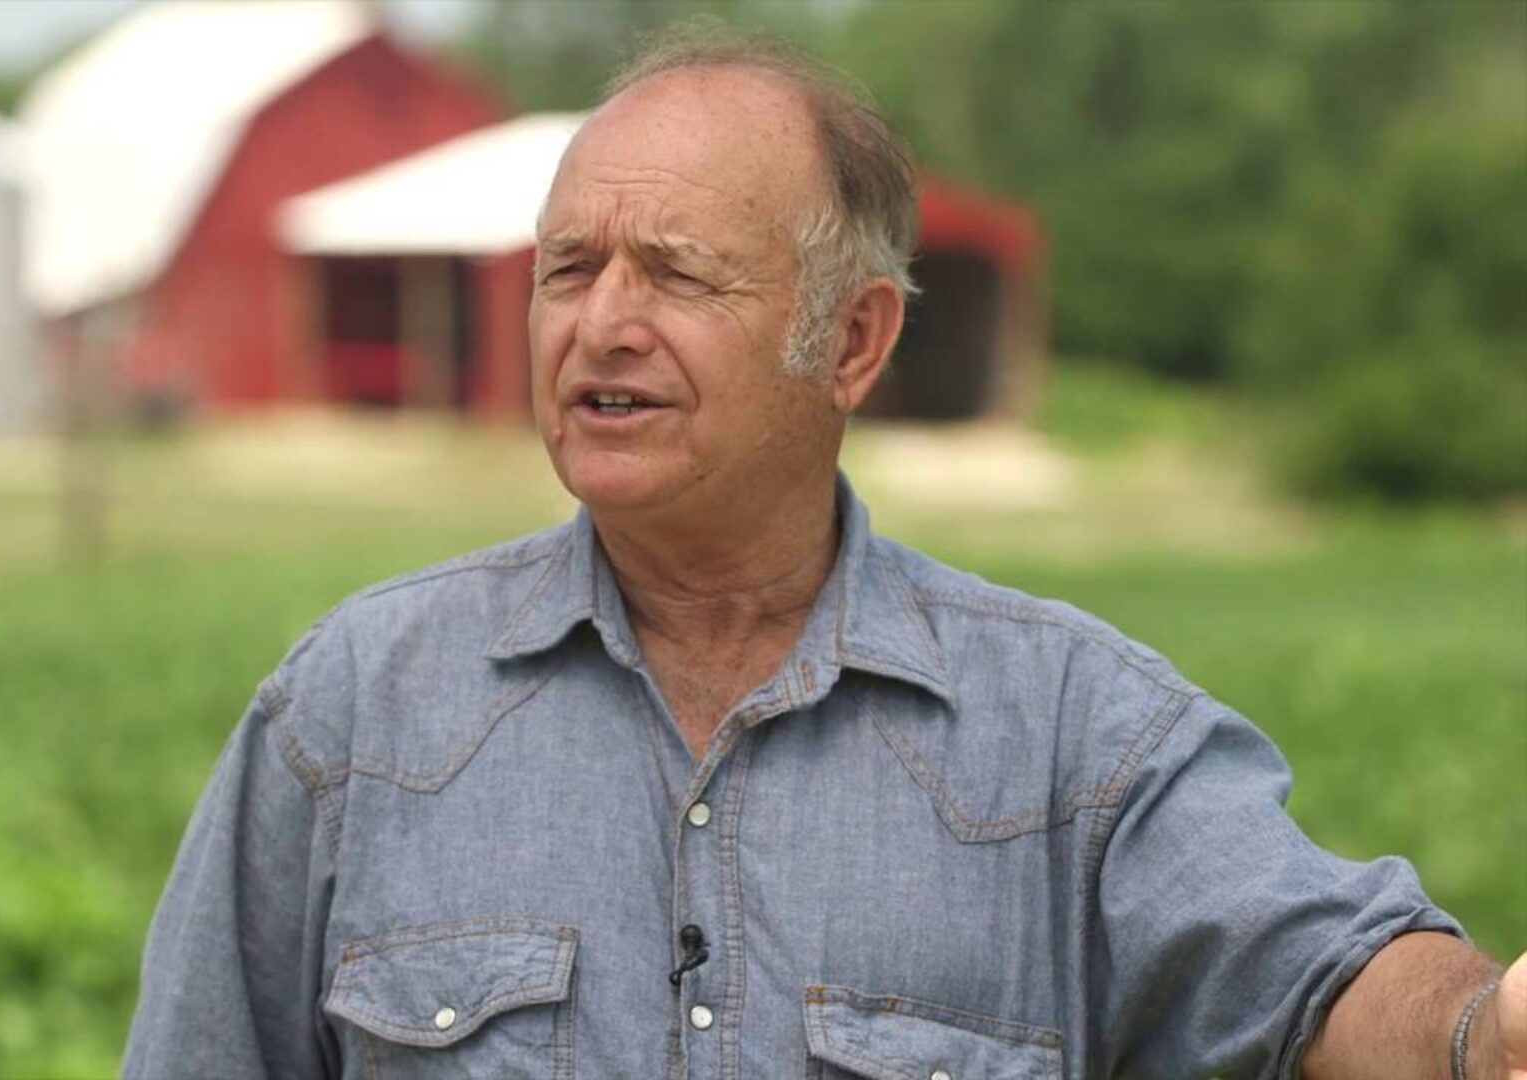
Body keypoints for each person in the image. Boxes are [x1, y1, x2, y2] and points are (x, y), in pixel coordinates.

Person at [123, 27, 1523, 1080]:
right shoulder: (358, 710)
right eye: (568, 267)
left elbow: (1324, 973)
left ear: (851, 342)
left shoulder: (1071, 738)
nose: (601, 322)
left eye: (674, 272)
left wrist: (1481, 1028)